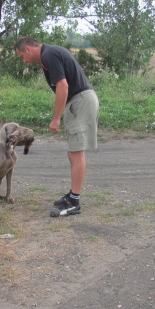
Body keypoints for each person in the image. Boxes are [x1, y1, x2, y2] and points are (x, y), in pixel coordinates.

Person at [14, 37, 99, 217]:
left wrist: (56, 118)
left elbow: (63, 85)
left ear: (28, 49)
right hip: (80, 101)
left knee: (76, 152)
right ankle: (72, 195)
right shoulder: (50, 53)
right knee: (73, 152)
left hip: (79, 101)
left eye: (22, 57)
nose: (25, 61)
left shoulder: (48, 55)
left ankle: (74, 202)